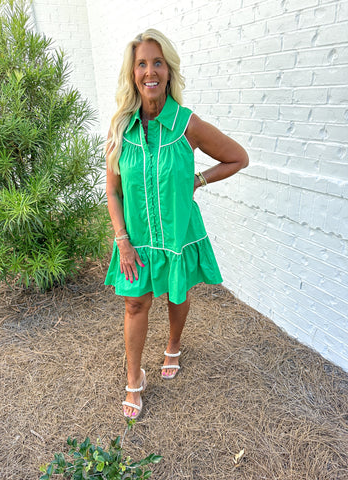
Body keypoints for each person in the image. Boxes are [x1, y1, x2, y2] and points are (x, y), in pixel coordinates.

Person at [104, 28, 249, 419]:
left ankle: (173, 345)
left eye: (157, 63)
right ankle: (135, 379)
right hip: (135, 239)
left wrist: (197, 182)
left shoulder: (187, 125)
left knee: (177, 294)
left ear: (168, 71)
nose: (150, 71)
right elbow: (113, 191)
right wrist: (122, 239)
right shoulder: (120, 128)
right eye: (142, 64)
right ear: (133, 73)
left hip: (176, 234)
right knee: (135, 303)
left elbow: (238, 157)